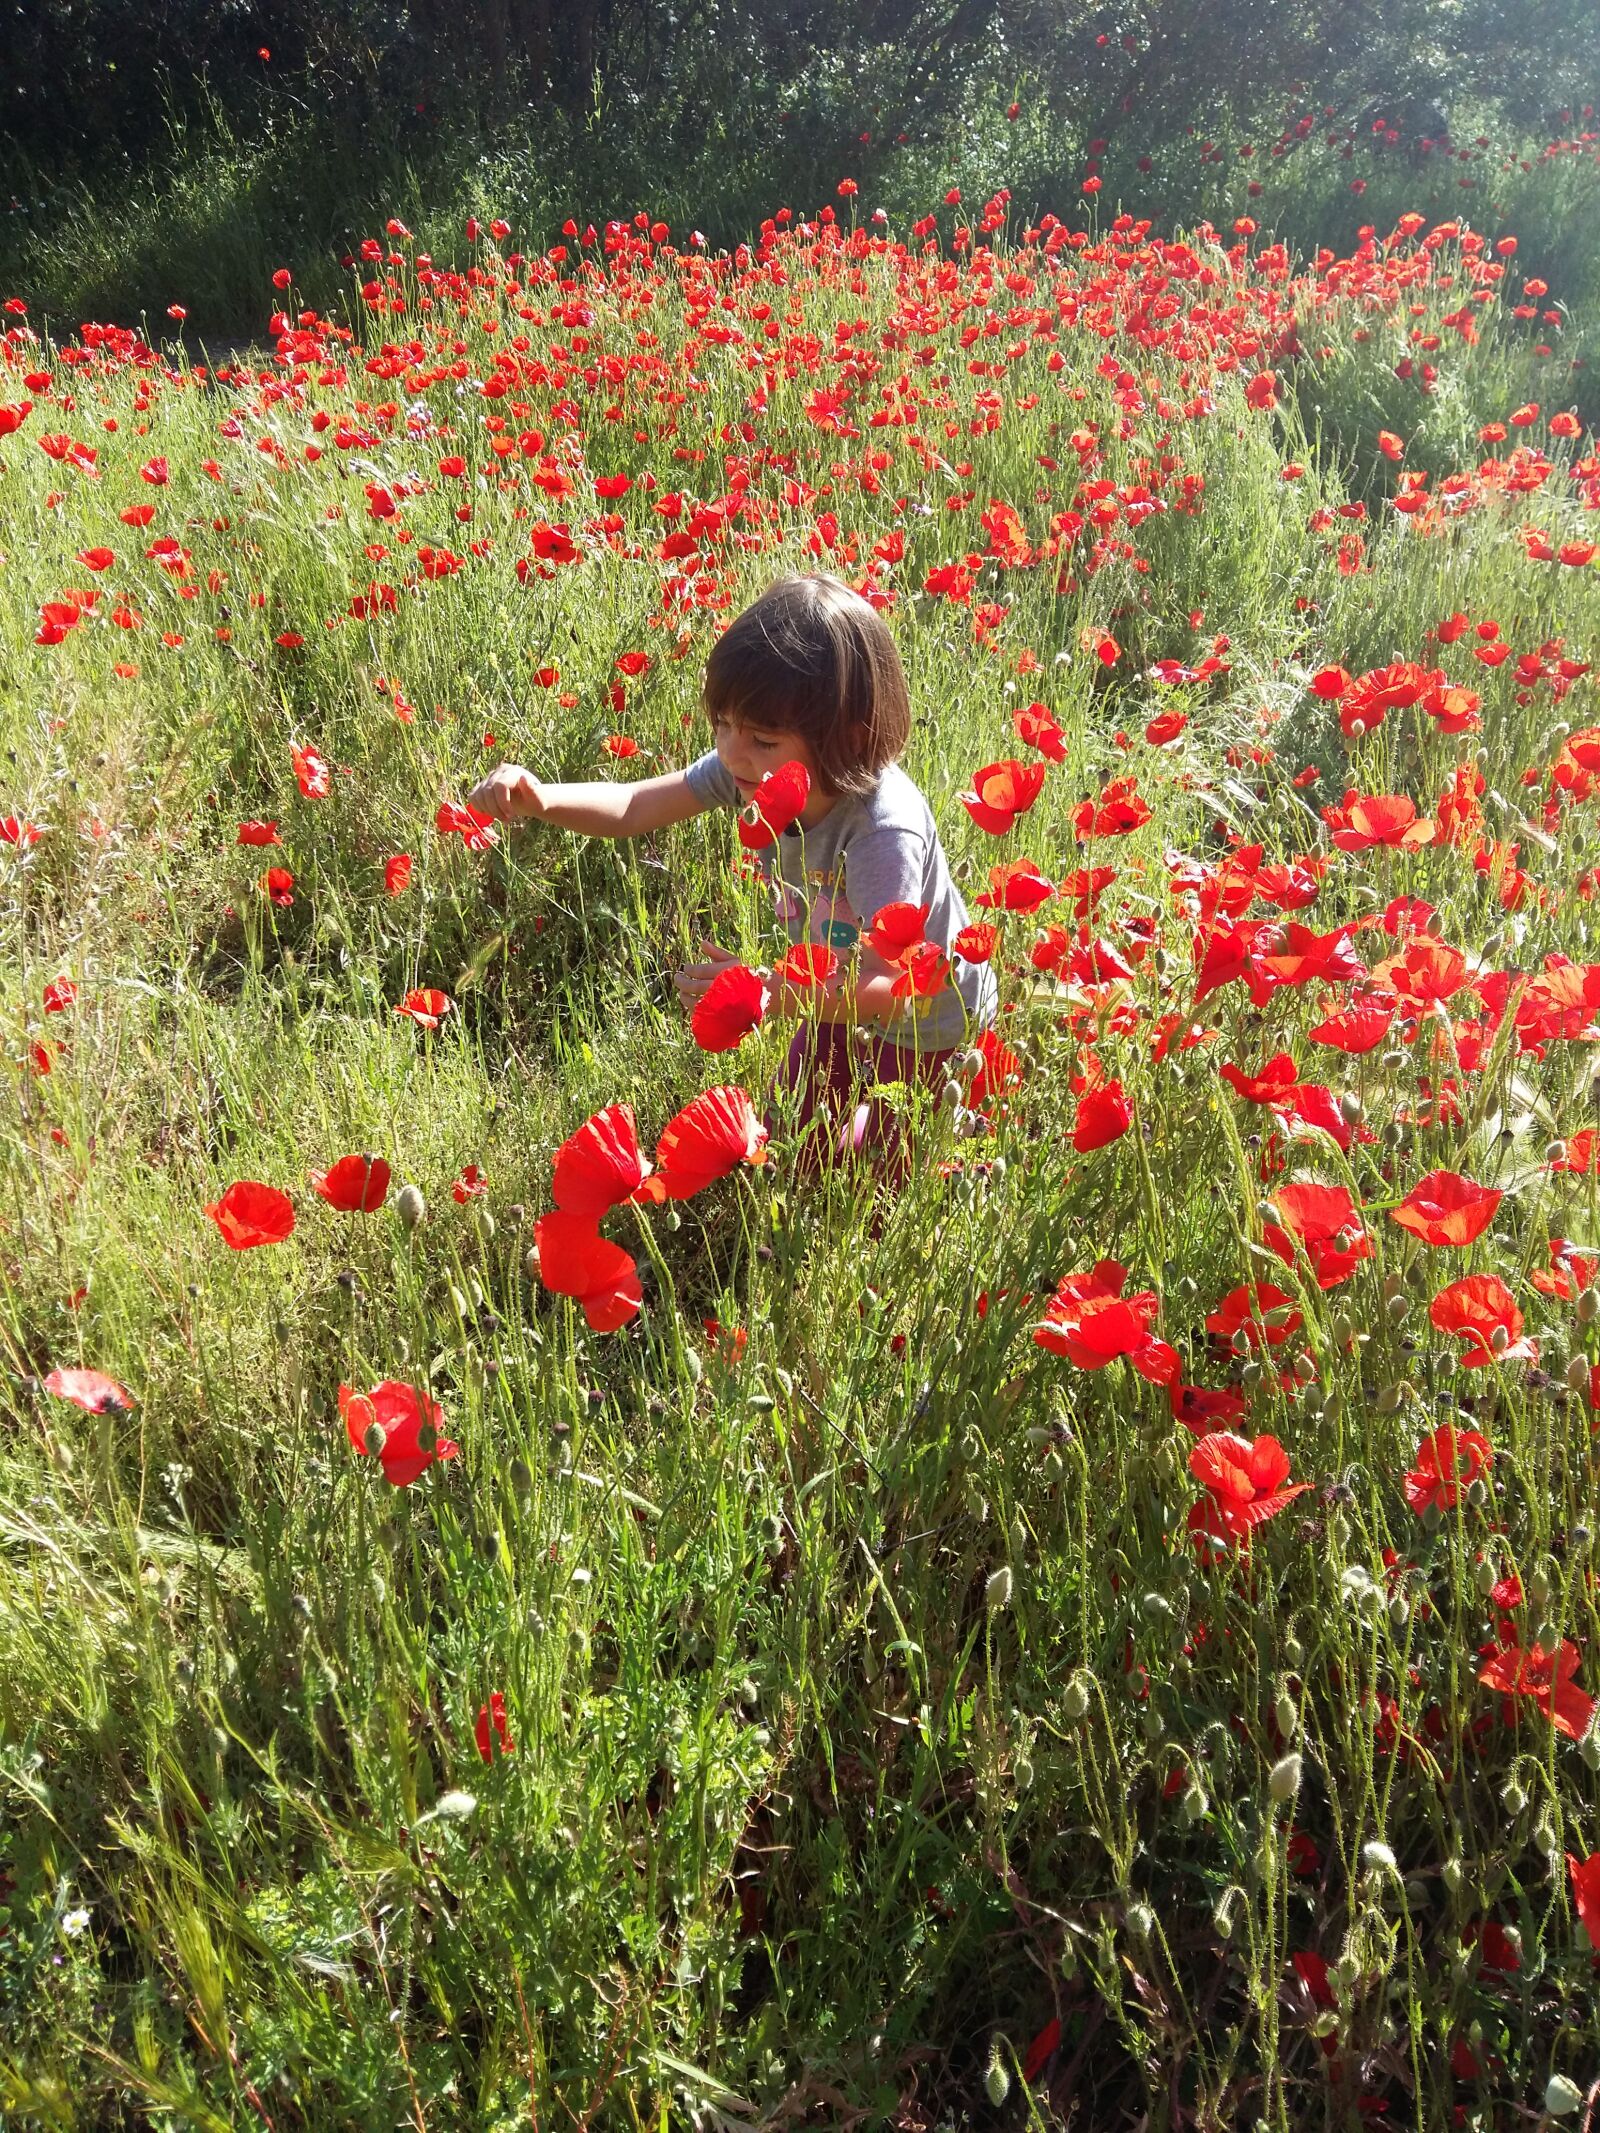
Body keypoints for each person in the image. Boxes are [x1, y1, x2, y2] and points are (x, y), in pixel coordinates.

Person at [468, 572, 998, 1175]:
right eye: (723, 725)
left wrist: (776, 992)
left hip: (926, 1020)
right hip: (828, 984)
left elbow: (892, 991)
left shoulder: (881, 835)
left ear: (847, 740)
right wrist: (542, 798)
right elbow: (634, 805)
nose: (730, 751)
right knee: (793, 1136)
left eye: (761, 738)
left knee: (878, 1175)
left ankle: (952, 1139)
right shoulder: (749, 768)